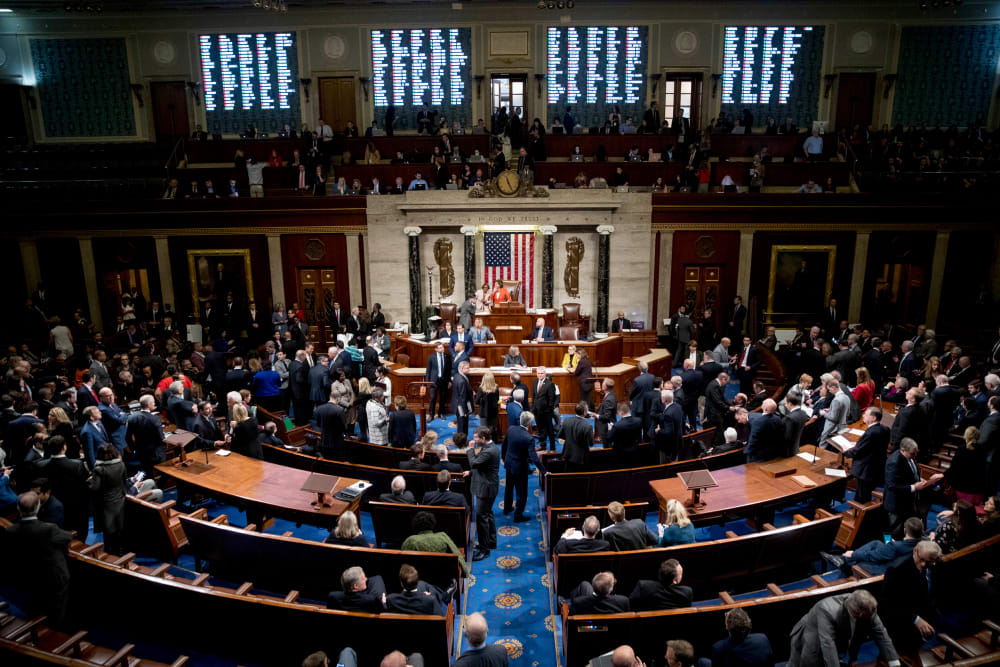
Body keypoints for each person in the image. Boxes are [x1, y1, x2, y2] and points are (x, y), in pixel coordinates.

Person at [1, 491, 73, 626]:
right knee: (56, 609)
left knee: (36, 602)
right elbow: (67, 537)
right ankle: (54, 631)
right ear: (37, 507)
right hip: (54, 576)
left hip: (29, 575)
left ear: (18, 508)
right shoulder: (48, 528)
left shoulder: (10, 531)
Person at [787, 589, 899, 667]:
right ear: (857, 613)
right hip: (810, 633)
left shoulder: (868, 608)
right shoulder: (827, 609)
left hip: (836, 632)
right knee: (807, 662)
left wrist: (894, 663)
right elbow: (828, 645)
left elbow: (881, 633)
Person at [880, 540, 941, 655]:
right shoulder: (896, 570)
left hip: (926, 622)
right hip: (900, 623)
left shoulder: (935, 567)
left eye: (929, 562)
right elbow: (888, 604)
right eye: (921, 559)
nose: (923, 565)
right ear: (915, 550)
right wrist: (915, 619)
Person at [884, 438, 943, 538]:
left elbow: (911, 473)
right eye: (912, 453)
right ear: (903, 450)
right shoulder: (894, 462)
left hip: (908, 501)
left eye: (916, 453)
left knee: (905, 527)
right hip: (896, 503)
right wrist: (914, 487)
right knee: (892, 530)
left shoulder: (909, 457)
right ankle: (889, 547)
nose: (914, 456)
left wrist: (919, 479)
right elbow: (892, 486)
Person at [843, 406, 890, 503]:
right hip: (877, 466)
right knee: (866, 492)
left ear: (873, 418)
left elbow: (857, 452)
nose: (863, 416)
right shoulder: (885, 429)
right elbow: (873, 445)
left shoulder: (870, 433)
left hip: (866, 469)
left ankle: (859, 514)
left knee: (862, 495)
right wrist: (858, 444)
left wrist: (846, 451)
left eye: (866, 414)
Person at [88, 442, 129, 555]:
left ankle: (110, 554)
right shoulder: (121, 465)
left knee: (109, 532)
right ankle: (120, 552)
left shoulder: (99, 469)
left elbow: (95, 488)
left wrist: (90, 480)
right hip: (120, 501)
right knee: (119, 530)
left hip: (106, 504)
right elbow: (124, 483)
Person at [400, 511, 470, 576]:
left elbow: (404, 561)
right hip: (441, 577)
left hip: (419, 578)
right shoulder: (442, 536)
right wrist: (464, 572)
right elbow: (457, 554)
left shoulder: (410, 541)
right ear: (433, 524)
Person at [503, 411, 541, 523]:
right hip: (519, 468)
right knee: (521, 492)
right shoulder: (529, 438)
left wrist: (504, 458)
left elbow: (504, 445)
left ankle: (507, 508)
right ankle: (518, 515)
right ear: (529, 424)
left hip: (509, 464)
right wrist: (543, 471)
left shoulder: (511, 429)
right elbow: (534, 458)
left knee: (508, 487)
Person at [469, 427, 500, 561]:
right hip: (488, 485)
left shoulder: (489, 451)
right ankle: (491, 542)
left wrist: (470, 449)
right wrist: (470, 473)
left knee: (482, 518)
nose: (474, 440)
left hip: (486, 489)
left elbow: (474, 463)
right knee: (488, 514)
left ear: (483, 438)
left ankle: (484, 550)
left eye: (476, 437)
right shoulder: (490, 447)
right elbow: (482, 466)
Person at [386, 564, 455, 615]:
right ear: (416, 581)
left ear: (401, 583)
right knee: (429, 588)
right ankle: (445, 596)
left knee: (423, 585)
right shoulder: (429, 600)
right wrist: (429, 597)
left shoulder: (390, 599)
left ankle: (444, 595)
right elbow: (440, 618)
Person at [946, 425, 989, 505]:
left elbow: (954, 468)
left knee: (960, 510)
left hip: (962, 487)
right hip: (976, 489)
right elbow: (983, 471)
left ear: (966, 435)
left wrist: (944, 476)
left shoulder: (962, 449)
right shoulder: (982, 450)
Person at [629, 558, 693, 611]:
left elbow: (631, 605)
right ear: (675, 581)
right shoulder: (686, 592)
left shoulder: (643, 586)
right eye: (681, 574)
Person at [558, 401, 594, 472]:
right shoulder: (587, 426)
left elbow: (561, 435)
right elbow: (591, 443)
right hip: (580, 457)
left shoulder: (566, 420)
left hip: (568, 453)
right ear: (584, 412)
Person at [315, 388, 347, 460]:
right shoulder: (339, 410)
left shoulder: (319, 408)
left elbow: (318, 424)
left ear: (330, 396)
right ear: (338, 398)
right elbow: (344, 427)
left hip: (324, 440)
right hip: (337, 442)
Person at [532, 367, 558, 451]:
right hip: (537, 411)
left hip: (546, 412)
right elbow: (534, 397)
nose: (540, 375)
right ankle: (543, 445)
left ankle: (552, 448)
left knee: (550, 430)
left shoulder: (550, 384)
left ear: (545, 374)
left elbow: (552, 399)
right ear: (536, 374)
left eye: (542, 373)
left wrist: (548, 410)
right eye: (538, 373)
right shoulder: (535, 382)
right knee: (540, 429)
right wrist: (533, 408)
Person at [424, 343, 452, 421]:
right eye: (439, 348)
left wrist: (449, 381)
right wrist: (427, 382)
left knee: (443, 399)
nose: (441, 349)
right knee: (432, 399)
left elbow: (449, 370)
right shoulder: (431, 357)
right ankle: (431, 415)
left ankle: (441, 413)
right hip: (434, 381)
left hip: (444, 380)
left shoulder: (447, 356)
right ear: (435, 349)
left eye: (442, 347)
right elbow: (428, 370)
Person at [475, 372, 500, 441]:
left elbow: (477, 401)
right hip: (493, 411)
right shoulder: (496, 387)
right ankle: (494, 441)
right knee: (493, 428)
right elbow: (497, 399)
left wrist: (482, 402)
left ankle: (485, 442)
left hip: (484, 412)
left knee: (484, 429)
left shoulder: (481, 389)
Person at [595, 378, 617, 444]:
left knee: (607, 445)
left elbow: (607, 417)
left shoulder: (609, 399)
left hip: (606, 427)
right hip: (606, 426)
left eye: (603, 383)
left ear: (606, 387)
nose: (601, 385)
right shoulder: (609, 394)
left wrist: (597, 415)